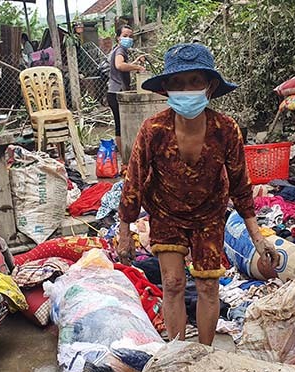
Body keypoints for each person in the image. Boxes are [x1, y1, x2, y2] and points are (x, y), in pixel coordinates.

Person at [116, 43, 279, 346]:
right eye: (177, 83)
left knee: (207, 287)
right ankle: (178, 353)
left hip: (209, 214)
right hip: (165, 212)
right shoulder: (153, 129)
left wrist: (256, 236)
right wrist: (124, 229)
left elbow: (241, 185)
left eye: (194, 82)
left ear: (210, 86)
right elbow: (134, 180)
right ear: (166, 88)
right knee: (173, 284)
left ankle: (203, 354)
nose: (186, 90)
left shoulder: (225, 129)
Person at [106, 25, 145, 158]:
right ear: (118, 38)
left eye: (130, 36)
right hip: (117, 93)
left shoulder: (119, 49)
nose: (128, 39)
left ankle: (126, 158)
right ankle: (125, 159)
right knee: (121, 127)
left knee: (121, 125)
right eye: (125, 36)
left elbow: (122, 67)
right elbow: (120, 65)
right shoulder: (121, 50)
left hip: (114, 92)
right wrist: (138, 67)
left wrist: (134, 62)